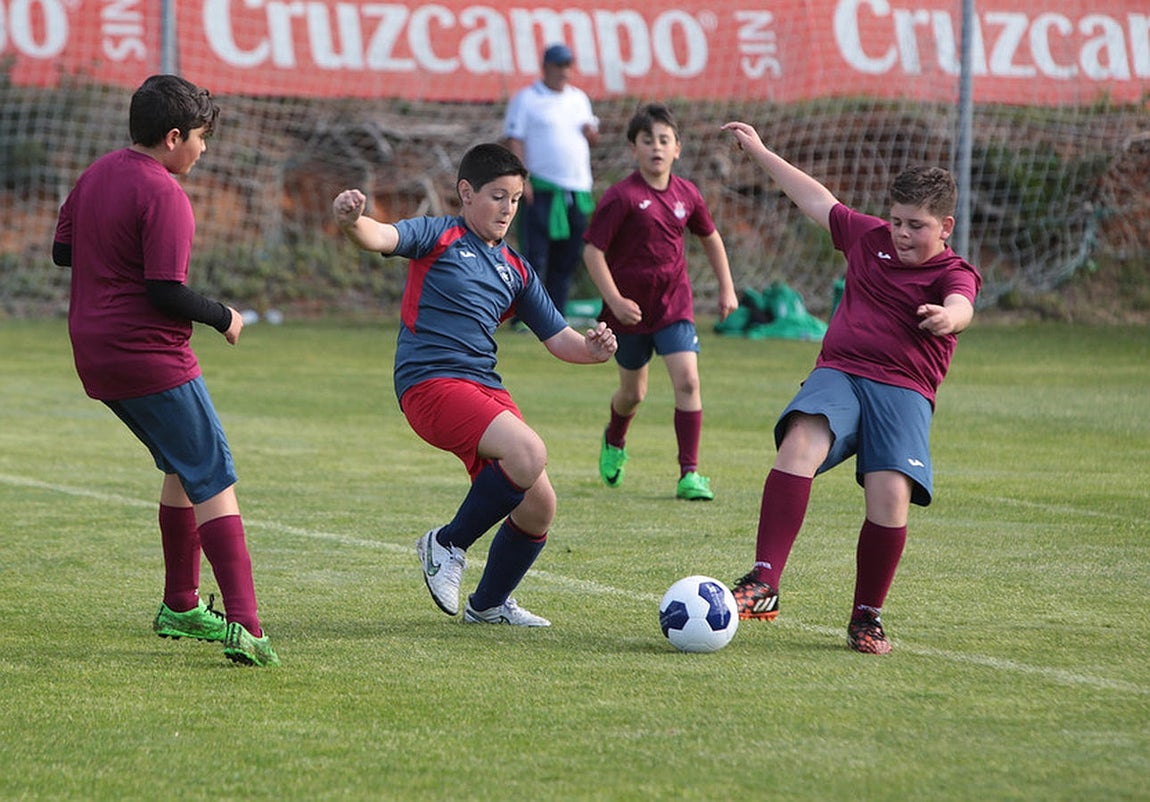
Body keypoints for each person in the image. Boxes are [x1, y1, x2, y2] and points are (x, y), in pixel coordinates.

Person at [721, 120, 982, 654]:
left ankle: (867, 616)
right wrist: (763, 153)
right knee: (800, 441)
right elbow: (816, 198)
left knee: (890, 498)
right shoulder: (869, 238)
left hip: (904, 390)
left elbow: (964, 304)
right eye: (897, 221)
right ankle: (765, 580)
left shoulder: (955, 271)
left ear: (946, 226)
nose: (903, 234)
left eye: (917, 225)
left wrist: (948, 318)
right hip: (840, 371)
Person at [332, 143, 617, 627]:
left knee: (539, 506)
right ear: (466, 193)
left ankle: (487, 606)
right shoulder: (438, 235)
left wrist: (593, 350)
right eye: (497, 196)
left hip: (483, 386)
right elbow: (379, 236)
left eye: (515, 199)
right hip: (430, 383)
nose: (508, 208)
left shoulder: (517, 269)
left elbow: (561, 338)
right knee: (528, 453)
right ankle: (446, 544)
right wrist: (351, 221)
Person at [52, 74, 279, 667]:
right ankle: (248, 626)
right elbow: (165, 292)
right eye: (201, 138)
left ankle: (180, 605)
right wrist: (224, 314)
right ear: (174, 136)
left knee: (181, 467)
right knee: (214, 474)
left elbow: (64, 251)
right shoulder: (165, 194)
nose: (204, 150)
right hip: (147, 353)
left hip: (94, 351)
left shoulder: (97, 174)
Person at [583, 104, 738, 501]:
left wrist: (727, 288)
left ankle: (690, 474)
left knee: (688, 380)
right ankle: (614, 437)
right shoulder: (622, 197)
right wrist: (614, 300)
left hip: (674, 307)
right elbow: (593, 252)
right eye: (647, 140)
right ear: (634, 148)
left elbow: (710, 238)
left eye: (664, 140)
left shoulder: (688, 194)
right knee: (633, 393)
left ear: (677, 149)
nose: (656, 147)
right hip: (629, 312)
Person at [503, 43, 600, 317]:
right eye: (559, 65)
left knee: (567, 258)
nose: (564, 71)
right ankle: (526, 315)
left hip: (576, 189)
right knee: (535, 256)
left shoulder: (579, 98)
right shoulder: (527, 98)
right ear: (545, 67)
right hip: (542, 188)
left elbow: (592, 138)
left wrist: (591, 133)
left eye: (568, 65)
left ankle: (556, 316)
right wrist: (522, 180)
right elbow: (515, 139)